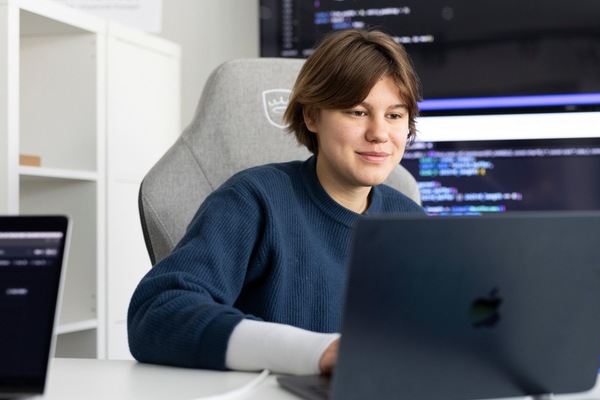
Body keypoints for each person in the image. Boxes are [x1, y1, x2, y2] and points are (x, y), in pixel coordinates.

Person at [127, 28, 424, 375]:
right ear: (312, 116)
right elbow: (157, 312)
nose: (379, 133)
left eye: (394, 115)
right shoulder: (253, 201)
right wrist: (318, 351)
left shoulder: (415, 224)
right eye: (357, 112)